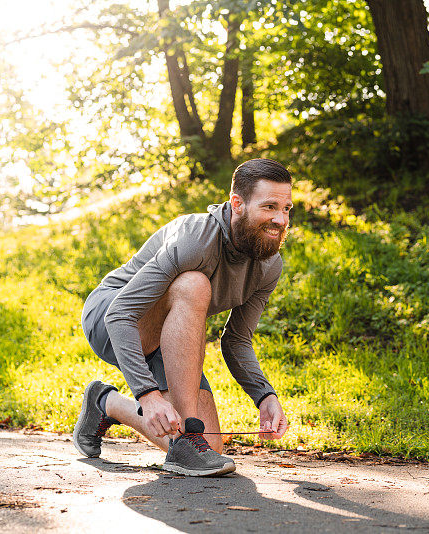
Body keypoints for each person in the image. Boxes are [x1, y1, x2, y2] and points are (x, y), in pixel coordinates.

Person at [74, 158, 292, 476]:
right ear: (238, 204)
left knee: (211, 448)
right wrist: (148, 396)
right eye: (269, 206)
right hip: (112, 319)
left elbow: (236, 339)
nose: (280, 219)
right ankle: (186, 440)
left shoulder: (268, 265)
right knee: (194, 282)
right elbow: (120, 314)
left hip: (167, 338)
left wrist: (264, 395)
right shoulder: (195, 239)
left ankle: (105, 403)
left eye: (287, 208)